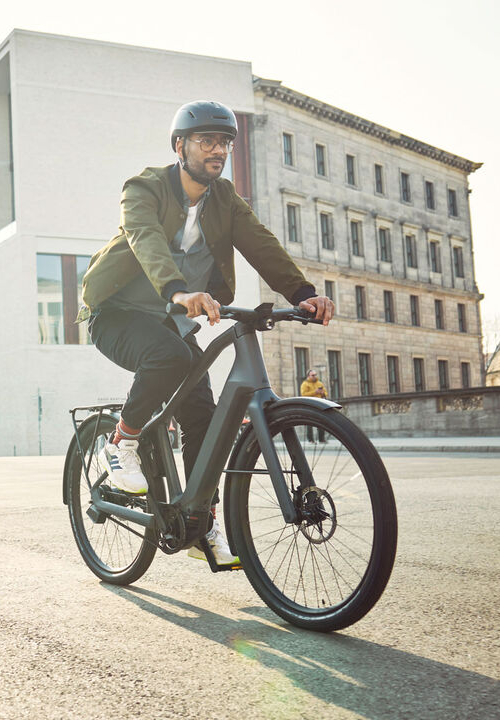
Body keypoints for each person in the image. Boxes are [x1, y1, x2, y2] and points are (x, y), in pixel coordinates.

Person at [77, 100, 335, 567]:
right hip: (116, 312)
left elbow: (261, 244)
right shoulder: (145, 188)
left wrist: (302, 292)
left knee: (203, 415)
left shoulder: (225, 201)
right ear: (180, 146)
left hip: (172, 318)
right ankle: (122, 441)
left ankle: (200, 519)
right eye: (207, 141)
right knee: (170, 359)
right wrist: (178, 290)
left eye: (225, 143)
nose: (218, 150)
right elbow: (144, 238)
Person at [300, 370, 328, 443]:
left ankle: (321, 439)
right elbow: (303, 394)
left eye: (315, 375)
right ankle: (311, 440)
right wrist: (315, 392)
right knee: (310, 423)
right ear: (308, 376)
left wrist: (322, 393)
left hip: (319, 404)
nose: (314, 376)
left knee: (321, 422)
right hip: (309, 405)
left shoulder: (319, 383)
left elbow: (325, 393)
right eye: (312, 375)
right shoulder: (305, 384)